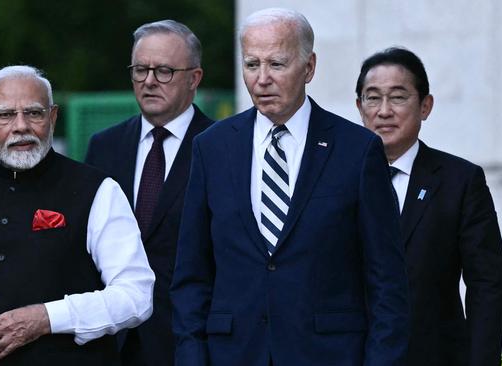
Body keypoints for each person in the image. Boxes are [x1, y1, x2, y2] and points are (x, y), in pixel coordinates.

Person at [170, 8, 409, 366]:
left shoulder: (357, 151)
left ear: (309, 67)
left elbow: (387, 282)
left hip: (328, 355)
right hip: (232, 354)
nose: (262, 79)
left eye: (277, 65)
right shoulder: (212, 147)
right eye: (252, 65)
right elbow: (191, 274)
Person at [0, 65, 155, 365]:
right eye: (5, 115)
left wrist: (47, 317)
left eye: (34, 113)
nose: (21, 126)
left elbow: (135, 296)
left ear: (52, 117)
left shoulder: (99, 191)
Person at [356, 47, 502, 366]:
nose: (384, 111)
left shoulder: (461, 181)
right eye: (372, 98)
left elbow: (486, 285)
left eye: (398, 97)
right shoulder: (335, 179)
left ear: (425, 106)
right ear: (359, 107)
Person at [84, 20, 213, 366]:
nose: (149, 81)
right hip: (112, 343)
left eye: (165, 71)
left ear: (194, 78)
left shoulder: (222, 147)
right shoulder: (104, 146)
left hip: (190, 341)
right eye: (140, 69)